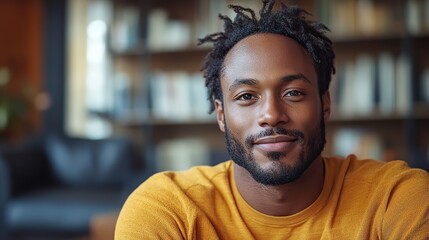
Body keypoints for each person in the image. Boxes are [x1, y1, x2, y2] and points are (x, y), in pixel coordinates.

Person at [115, 0, 429, 239]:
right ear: (221, 115)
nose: (271, 115)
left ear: (324, 104)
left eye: (293, 93)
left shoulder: (397, 198)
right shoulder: (168, 210)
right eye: (246, 97)